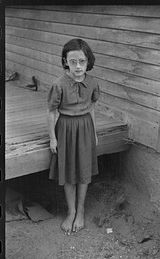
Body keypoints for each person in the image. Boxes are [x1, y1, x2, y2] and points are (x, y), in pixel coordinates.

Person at [47, 38, 100, 235]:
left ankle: (81, 210)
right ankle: (71, 211)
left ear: (88, 61)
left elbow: (92, 107)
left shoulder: (93, 83)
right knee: (69, 170)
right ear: (65, 62)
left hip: (85, 128)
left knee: (84, 170)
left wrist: (94, 133)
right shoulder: (59, 84)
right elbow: (51, 112)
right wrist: (53, 138)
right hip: (66, 130)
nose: (78, 67)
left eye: (82, 61)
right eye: (73, 62)